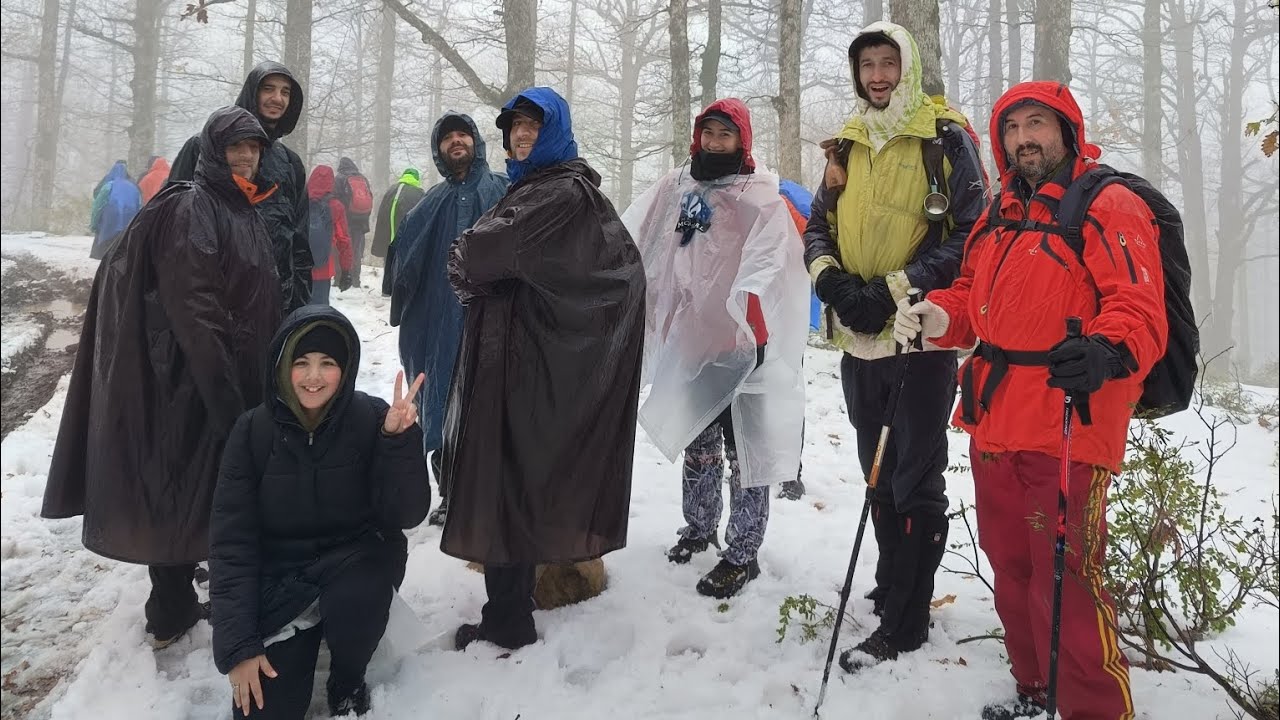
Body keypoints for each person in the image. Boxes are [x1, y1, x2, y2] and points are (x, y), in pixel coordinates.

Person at [894, 81, 1166, 720]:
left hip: (1070, 417)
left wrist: (1106, 350)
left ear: (1067, 129)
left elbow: (1139, 307)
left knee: (1068, 581)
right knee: (1012, 565)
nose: (1024, 139)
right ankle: (1034, 687)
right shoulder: (997, 214)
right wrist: (936, 316)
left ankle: (1096, 710)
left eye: (1037, 124)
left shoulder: (1110, 204)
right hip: (995, 419)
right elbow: (971, 299)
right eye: (1012, 128)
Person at [43, 106, 284, 648]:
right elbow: (195, 306)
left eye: (253, 148)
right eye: (235, 147)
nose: (246, 156)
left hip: (225, 375)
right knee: (181, 487)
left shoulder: (240, 208)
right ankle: (171, 608)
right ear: (212, 152)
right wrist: (226, 398)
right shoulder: (195, 207)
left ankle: (184, 600)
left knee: (203, 490)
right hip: (192, 383)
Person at [802, 21, 987, 671]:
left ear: (906, 68)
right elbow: (817, 225)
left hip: (919, 338)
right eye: (867, 65)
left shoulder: (945, 139)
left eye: (888, 63)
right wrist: (835, 286)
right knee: (877, 475)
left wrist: (895, 287)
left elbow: (971, 233)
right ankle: (891, 586)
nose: (877, 75)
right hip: (860, 338)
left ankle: (908, 620)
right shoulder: (848, 145)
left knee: (914, 480)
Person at [443, 87, 646, 651]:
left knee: (513, 480)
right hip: (523, 360)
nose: (522, 134)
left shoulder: (558, 193)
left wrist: (472, 264)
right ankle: (509, 610)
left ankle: (508, 620)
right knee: (516, 479)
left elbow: (477, 254)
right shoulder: (541, 189)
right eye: (514, 127)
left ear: (555, 131)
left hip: (528, 366)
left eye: (534, 125)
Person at [622, 99, 808, 598]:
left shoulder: (760, 197)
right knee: (699, 445)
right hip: (694, 343)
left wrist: (746, 312)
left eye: (725, 135)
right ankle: (699, 527)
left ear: (741, 140)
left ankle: (742, 554)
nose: (714, 143)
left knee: (745, 451)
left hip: (746, 345)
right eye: (708, 133)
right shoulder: (679, 186)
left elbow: (773, 263)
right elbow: (646, 240)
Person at [209, 306, 431, 720]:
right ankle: (299, 641)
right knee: (263, 712)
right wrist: (239, 646)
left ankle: (347, 677)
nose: (314, 377)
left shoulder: (373, 419)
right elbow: (231, 544)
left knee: (356, 599)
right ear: (281, 366)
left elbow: (407, 513)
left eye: (328, 363)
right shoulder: (250, 433)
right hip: (284, 582)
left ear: (345, 370)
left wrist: (397, 443)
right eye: (302, 363)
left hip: (353, 568)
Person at [390, 113, 508, 526]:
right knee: (440, 405)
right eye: (448, 137)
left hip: (493, 324)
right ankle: (451, 493)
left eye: (463, 134)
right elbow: (404, 262)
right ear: (438, 149)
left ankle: (490, 496)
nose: (456, 142)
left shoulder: (504, 191)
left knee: (490, 407)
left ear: (476, 141)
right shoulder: (428, 204)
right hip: (438, 326)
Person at [169, 61, 312, 313]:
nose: (277, 98)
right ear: (252, 92)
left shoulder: (290, 163)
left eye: (285, 92)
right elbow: (171, 227)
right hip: (210, 306)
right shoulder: (203, 147)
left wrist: (298, 309)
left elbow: (299, 244)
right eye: (268, 89)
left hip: (275, 305)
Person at [371, 167, 425, 297]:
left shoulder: (391, 190)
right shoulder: (419, 193)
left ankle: (388, 290)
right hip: (407, 237)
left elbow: (382, 214)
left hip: (388, 235)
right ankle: (404, 292)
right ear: (417, 178)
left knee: (389, 261)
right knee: (405, 263)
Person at [305, 165, 355, 305]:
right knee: (319, 311)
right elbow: (343, 240)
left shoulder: (300, 202)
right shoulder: (336, 206)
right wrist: (346, 270)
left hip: (300, 268)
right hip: (323, 268)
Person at [88, 159, 142, 259]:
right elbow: (139, 205)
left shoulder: (108, 186)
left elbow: (98, 207)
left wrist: (94, 224)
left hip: (109, 222)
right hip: (129, 222)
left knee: (104, 251)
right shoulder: (133, 187)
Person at [334, 157, 374, 288]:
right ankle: (356, 280)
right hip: (361, 221)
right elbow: (370, 199)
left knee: (342, 248)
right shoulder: (362, 178)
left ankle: (340, 278)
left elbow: (335, 199)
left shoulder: (339, 178)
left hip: (345, 220)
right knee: (356, 250)